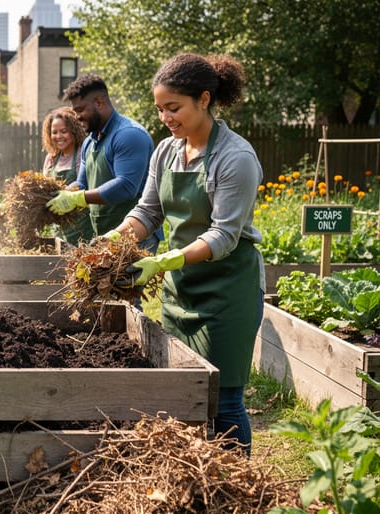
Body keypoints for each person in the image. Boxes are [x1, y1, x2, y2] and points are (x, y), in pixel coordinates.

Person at [110, 53, 265, 454]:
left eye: (174, 108)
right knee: (183, 391)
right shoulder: (165, 152)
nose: (165, 117)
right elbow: (147, 211)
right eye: (160, 109)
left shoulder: (236, 157)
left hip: (227, 292)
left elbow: (224, 236)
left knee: (224, 400)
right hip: (180, 291)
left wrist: (165, 260)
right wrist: (111, 241)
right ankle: (196, 479)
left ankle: (236, 486)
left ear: (204, 99)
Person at [46, 74, 160, 253]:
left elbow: (126, 185)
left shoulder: (128, 135)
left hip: (134, 236)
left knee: (131, 282)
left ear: (99, 102)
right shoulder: (90, 141)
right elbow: (82, 183)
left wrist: (79, 198)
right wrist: (62, 195)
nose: (76, 117)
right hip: (104, 235)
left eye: (80, 110)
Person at [40, 107, 91, 245]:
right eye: (54, 132)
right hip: (58, 226)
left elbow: (83, 184)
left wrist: (65, 194)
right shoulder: (51, 158)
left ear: (74, 131)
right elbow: (43, 189)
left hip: (81, 225)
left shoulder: (82, 154)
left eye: (64, 131)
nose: (58, 136)